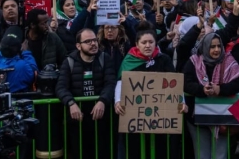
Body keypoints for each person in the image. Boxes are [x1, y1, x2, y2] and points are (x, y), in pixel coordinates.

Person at [114, 28, 186, 156]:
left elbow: (174, 83)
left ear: (155, 43)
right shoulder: (129, 61)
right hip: (135, 120)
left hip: (159, 120)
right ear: (137, 44)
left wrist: (182, 102)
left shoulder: (164, 59)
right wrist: (118, 101)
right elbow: (121, 82)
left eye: (151, 42)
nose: (148, 45)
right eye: (144, 42)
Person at [183, 32, 239, 159]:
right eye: (212, 47)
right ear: (205, 47)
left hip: (222, 118)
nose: (216, 50)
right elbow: (186, 83)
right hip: (198, 119)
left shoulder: (228, 60)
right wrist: (202, 89)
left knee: (220, 155)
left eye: (219, 46)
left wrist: (220, 89)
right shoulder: (194, 61)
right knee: (202, 155)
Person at [56, 28, 117, 158]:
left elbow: (111, 83)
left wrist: (102, 101)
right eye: (88, 41)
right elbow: (61, 87)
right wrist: (71, 103)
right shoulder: (69, 61)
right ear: (78, 46)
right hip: (78, 119)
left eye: (94, 40)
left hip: (101, 118)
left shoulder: (104, 58)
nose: (93, 44)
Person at [0, 26, 38, 93]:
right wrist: (25, 52)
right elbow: (34, 73)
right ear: (20, 48)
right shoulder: (22, 66)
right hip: (17, 98)